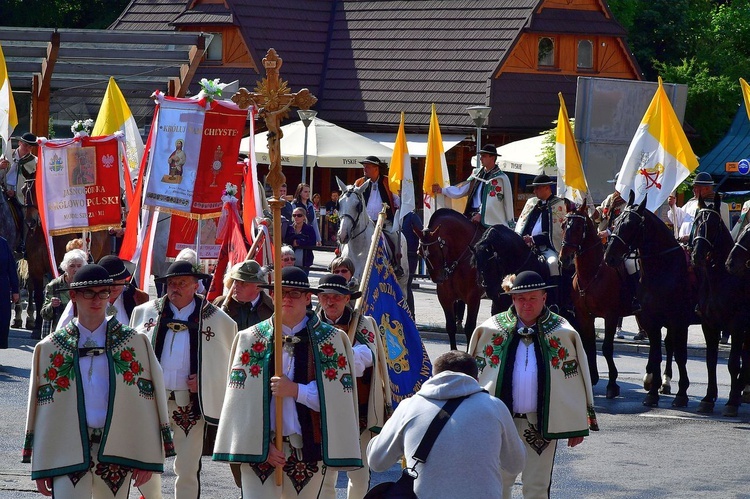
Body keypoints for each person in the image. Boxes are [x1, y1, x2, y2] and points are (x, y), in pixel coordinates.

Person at [23, 264, 175, 498]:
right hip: (68, 449)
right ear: (73, 295)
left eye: (103, 292)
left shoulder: (134, 343)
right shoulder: (50, 348)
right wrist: (41, 462)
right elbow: (42, 410)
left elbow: (148, 402)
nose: (97, 299)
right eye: (89, 293)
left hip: (117, 449)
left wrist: (147, 456)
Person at [212, 266, 362, 498]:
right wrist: (263, 446)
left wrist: (296, 391)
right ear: (272, 295)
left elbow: (337, 400)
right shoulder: (250, 339)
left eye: (294, 293)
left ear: (307, 298)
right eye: (281, 292)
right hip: (262, 450)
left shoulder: (331, 340)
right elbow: (239, 404)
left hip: (307, 450)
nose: (286, 298)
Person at [467, 271, 598, 499]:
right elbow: (472, 378)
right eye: (521, 299)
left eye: (533, 298)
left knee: (537, 486)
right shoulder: (490, 330)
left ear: (544, 298)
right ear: (513, 299)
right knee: (497, 484)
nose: (526, 305)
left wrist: (576, 423)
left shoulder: (562, 332)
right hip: (499, 424)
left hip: (539, 425)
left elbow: (575, 380)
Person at [130, 260, 237, 499]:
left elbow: (226, 366)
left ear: (195, 285)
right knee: (146, 464)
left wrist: (204, 380)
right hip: (153, 405)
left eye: (182, 283)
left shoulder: (219, 321)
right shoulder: (145, 313)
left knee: (187, 469)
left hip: (190, 407)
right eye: (171, 283)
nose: (175, 288)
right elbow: (132, 360)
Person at [367, 350, 526, 498]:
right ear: (476, 380)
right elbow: (516, 464)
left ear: (433, 376)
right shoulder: (495, 407)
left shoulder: (409, 406)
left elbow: (377, 462)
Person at [317, 273, 391, 498]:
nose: (330, 301)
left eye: (336, 297)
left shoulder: (364, 323)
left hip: (358, 409)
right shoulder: (312, 324)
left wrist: (341, 354)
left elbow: (369, 357)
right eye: (325, 296)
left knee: (359, 474)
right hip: (323, 408)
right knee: (325, 473)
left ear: (347, 298)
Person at [212, 260, 274, 490]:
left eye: (242, 282)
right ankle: (243, 487)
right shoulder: (221, 306)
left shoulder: (271, 309)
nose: (235, 286)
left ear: (257, 286)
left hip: (260, 385)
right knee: (234, 441)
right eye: (235, 281)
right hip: (227, 383)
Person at [55, 255, 150, 331]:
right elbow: (61, 330)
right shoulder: (83, 299)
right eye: (112, 283)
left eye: (120, 281)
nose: (116, 287)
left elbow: (145, 330)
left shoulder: (138, 297)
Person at [432, 144, 514, 228]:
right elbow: (463, 189)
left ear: (492, 158)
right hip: (471, 214)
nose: (481, 158)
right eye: (481, 156)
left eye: (484, 156)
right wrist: (442, 190)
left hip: (489, 219)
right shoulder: (477, 174)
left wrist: (480, 215)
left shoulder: (499, 178)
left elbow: (492, 202)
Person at [515, 174, 568, 304]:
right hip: (526, 246)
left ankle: (555, 302)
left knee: (553, 263)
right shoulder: (532, 203)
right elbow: (523, 224)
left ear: (546, 188)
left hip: (546, 247)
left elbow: (555, 232)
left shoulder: (558, 204)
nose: (534, 191)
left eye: (537, 188)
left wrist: (534, 239)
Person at [592, 177, 641, 318]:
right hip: (603, 243)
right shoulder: (610, 199)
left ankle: (635, 298)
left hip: (621, 245)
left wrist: (607, 232)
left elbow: (625, 224)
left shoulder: (631, 201)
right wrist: (591, 208)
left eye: (619, 184)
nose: (616, 187)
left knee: (631, 264)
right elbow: (599, 215)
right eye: (615, 184)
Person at [354, 156, 404, 275]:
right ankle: (340, 258)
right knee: (346, 234)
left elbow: (397, 201)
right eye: (364, 166)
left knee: (396, 238)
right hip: (364, 222)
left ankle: (397, 265)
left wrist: (401, 196)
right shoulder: (359, 182)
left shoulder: (388, 181)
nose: (364, 169)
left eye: (368, 166)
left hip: (384, 222)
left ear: (376, 168)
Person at [0, 132, 37, 253]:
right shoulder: (6, 156)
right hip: (3, 190)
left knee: (25, 216)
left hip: (21, 196)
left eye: (30, 147)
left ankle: (23, 243)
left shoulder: (35, 162)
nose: (27, 149)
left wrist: (15, 192)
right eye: (25, 145)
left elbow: (32, 184)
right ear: (20, 143)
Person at [40, 249, 87, 338]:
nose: (76, 269)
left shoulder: (87, 284)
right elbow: (45, 315)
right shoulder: (54, 285)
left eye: (79, 266)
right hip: (61, 333)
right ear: (65, 267)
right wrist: (51, 305)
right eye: (72, 266)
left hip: (83, 333)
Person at [678, 172, 730, 243]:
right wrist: (672, 206)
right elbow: (678, 218)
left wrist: (691, 237)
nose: (693, 190)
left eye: (696, 188)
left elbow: (719, 231)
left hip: (703, 247)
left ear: (706, 189)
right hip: (683, 245)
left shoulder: (720, 206)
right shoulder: (690, 203)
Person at [400, 209, 422, 319]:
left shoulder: (412, 216)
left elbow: (421, 233)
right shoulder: (395, 216)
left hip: (410, 255)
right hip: (397, 255)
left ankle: (410, 316)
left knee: (406, 285)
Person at [284, 207, 316, 275]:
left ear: (304, 217)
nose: (296, 217)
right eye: (294, 215)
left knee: (303, 280)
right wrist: (293, 241)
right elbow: (286, 240)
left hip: (305, 261)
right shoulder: (290, 228)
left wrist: (299, 242)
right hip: (290, 261)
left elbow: (313, 242)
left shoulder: (309, 228)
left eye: (299, 215)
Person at [0, 236, 19, 349]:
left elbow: (11, 267)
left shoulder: (3, 243)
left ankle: (21, 246)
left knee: (1, 321)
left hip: (2, 288)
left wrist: (15, 290)